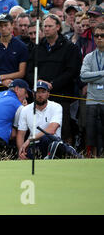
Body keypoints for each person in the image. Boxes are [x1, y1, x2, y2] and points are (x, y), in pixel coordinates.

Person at [26, 14, 82, 144]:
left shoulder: (69, 47)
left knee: (65, 130)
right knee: (40, 128)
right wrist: (40, 83)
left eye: (50, 26)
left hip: (61, 96)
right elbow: (29, 71)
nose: (46, 29)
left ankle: (67, 155)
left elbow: (72, 71)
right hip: (40, 95)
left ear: (58, 27)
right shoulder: (37, 48)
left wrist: (52, 84)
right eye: (45, 26)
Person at [17, 81, 63, 159]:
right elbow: (21, 134)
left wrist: (30, 140)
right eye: (37, 92)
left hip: (53, 144)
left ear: (48, 94)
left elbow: (51, 130)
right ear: (33, 94)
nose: (40, 95)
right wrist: (21, 151)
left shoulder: (56, 107)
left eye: (43, 92)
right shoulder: (25, 110)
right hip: (34, 146)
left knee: (46, 138)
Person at [0, 14, 28, 90]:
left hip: (16, 87)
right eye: (0, 26)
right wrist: (0, 81)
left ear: (12, 25)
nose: (3, 28)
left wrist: (0, 77)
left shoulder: (21, 46)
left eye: (6, 25)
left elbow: (21, 73)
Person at [80, 22, 104, 157]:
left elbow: (88, 76)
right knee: (91, 134)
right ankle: (92, 158)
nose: (99, 38)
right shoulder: (89, 56)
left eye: (102, 35)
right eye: (96, 36)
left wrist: (93, 77)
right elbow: (83, 76)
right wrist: (102, 73)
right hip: (92, 100)